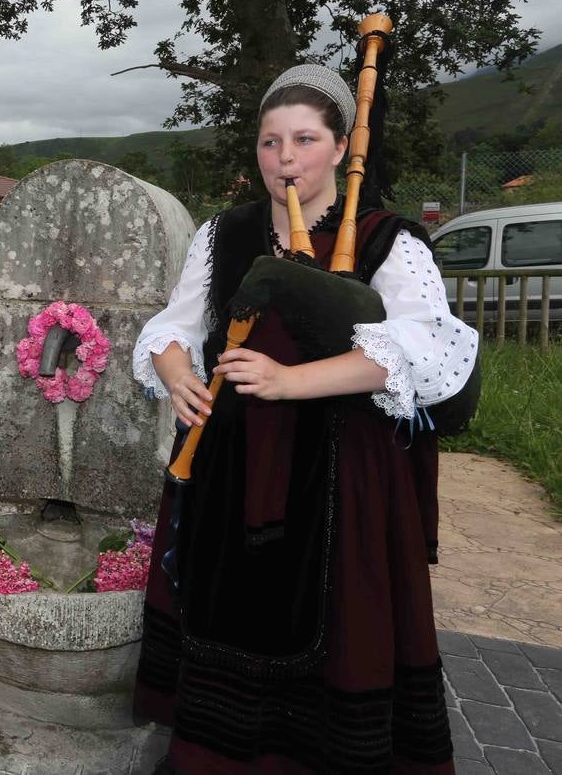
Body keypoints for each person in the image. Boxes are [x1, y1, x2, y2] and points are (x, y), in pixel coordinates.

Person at [131, 64, 472, 773]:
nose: (285, 158)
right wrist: (176, 376)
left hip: (343, 467)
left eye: (305, 139)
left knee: (335, 622)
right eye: (269, 142)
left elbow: (424, 352)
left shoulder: (387, 241)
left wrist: (290, 381)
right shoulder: (226, 233)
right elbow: (175, 324)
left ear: (343, 147)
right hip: (232, 459)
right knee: (231, 607)